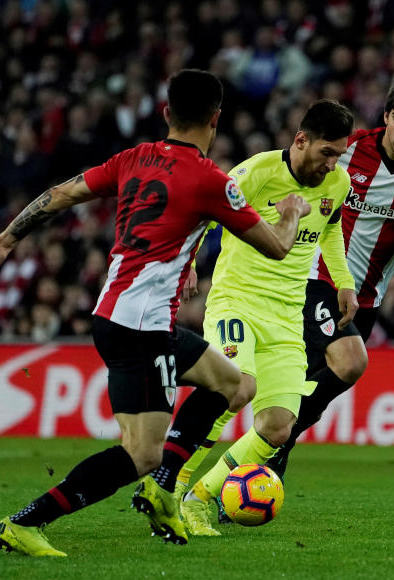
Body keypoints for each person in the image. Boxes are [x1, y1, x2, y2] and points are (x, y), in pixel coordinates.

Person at [0, 69, 311, 555]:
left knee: (234, 385)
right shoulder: (212, 181)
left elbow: (60, 194)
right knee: (141, 453)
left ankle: (163, 490)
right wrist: (291, 214)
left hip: (120, 313)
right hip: (142, 328)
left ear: (167, 112)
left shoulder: (132, 159)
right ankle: (25, 523)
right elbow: (276, 247)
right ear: (216, 119)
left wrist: (6, 239)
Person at [173, 74, 394, 497]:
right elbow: (298, 173)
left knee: (293, 398)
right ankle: (221, 463)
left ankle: (251, 460)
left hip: (365, 294)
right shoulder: (347, 151)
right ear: (386, 116)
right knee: (348, 361)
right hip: (311, 279)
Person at [142, 99, 357, 536]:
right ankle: (170, 486)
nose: (332, 164)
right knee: (235, 389)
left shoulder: (338, 182)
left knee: (278, 428)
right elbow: (202, 212)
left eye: (339, 154)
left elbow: (331, 226)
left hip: (287, 316)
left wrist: (344, 280)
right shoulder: (256, 173)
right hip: (237, 302)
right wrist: (188, 264)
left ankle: (199, 499)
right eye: (326, 153)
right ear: (301, 140)